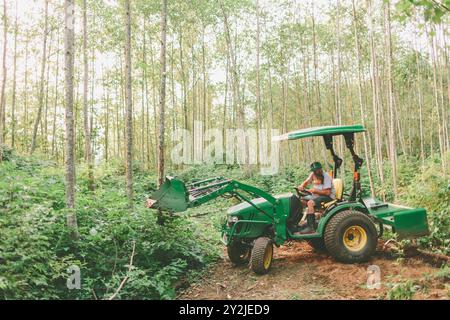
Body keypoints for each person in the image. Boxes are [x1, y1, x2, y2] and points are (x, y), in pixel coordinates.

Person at [296, 162, 335, 234]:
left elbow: (327, 192)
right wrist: (302, 186)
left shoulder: (326, 177)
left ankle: (311, 228)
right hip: (317, 196)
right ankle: (298, 223)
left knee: (310, 203)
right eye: (315, 171)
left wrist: (315, 191)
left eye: (318, 170)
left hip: (328, 197)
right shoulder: (313, 174)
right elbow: (306, 182)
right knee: (301, 201)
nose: (317, 172)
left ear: (320, 169)